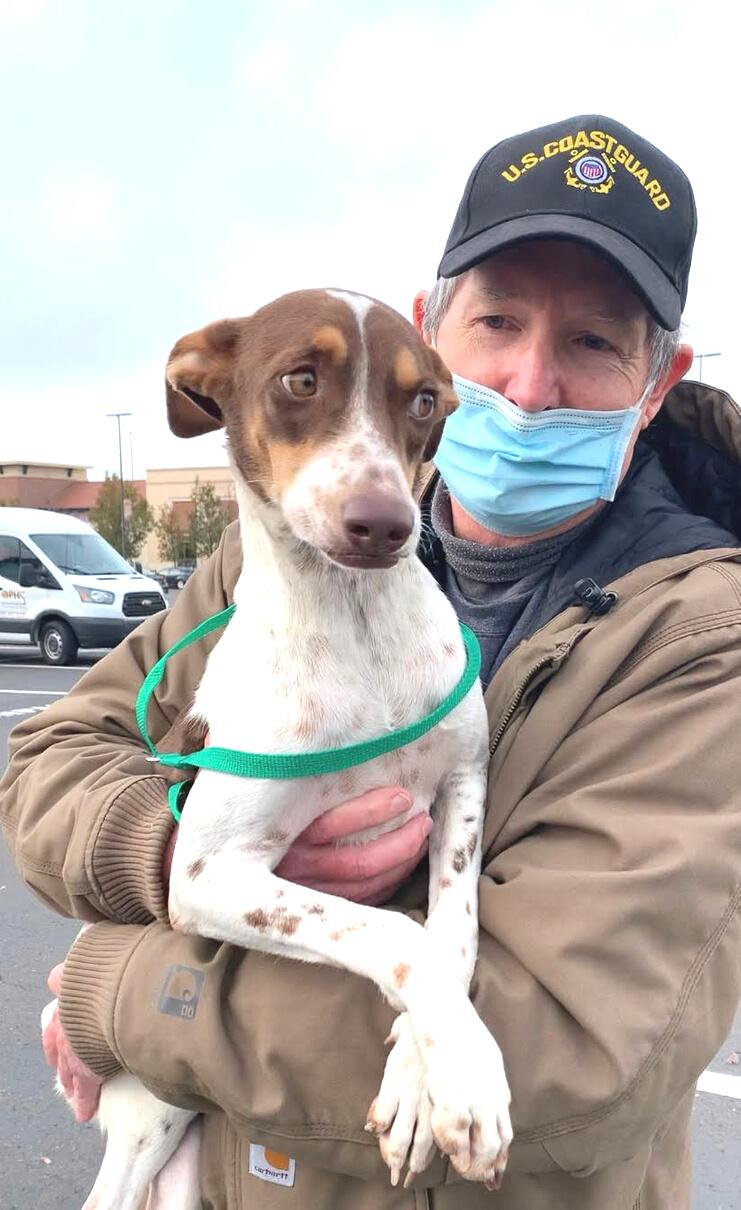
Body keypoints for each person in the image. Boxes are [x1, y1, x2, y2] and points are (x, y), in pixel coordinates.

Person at [2, 114, 741, 1210]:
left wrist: (126, 993)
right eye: (497, 321)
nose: (528, 385)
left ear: (659, 378)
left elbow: (569, 1054)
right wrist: (156, 853)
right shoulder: (275, 554)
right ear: (430, 327)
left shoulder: (702, 644)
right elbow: (52, 757)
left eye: (593, 342)